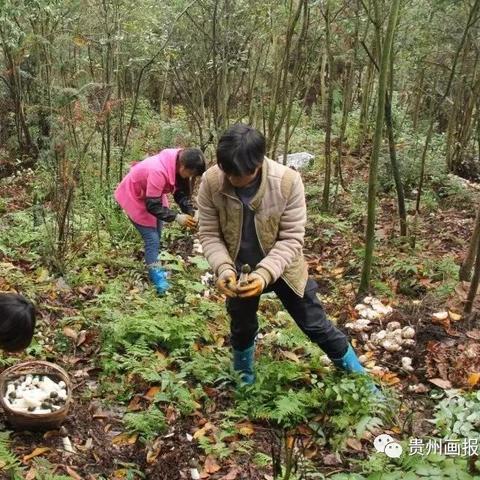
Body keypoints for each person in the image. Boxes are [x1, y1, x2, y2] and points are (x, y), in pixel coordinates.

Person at [197, 124, 371, 386]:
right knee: (242, 327)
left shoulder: (287, 182)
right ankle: (243, 377)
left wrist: (265, 274)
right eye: (227, 171)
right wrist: (223, 268)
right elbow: (209, 233)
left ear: (257, 165)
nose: (231, 179)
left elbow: (291, 239)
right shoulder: (211, 181)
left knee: (315, 324)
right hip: (238, 270)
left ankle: (360, 380)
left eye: (238, 174)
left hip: (283, 268)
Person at [115, 147, 206, 294]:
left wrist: (190, 211)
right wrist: (176, 217)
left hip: (152, 196)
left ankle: (155, 266)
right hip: (136, 197)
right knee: (152, 240)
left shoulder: (177, 161)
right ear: (183, 166)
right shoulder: (158, 171)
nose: (190, 177)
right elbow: (153, 206)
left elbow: (179, 193)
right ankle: (158, 280)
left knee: (158, 232)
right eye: (190, 173)